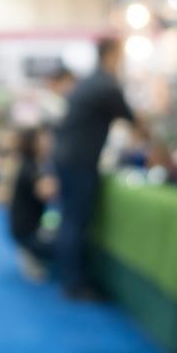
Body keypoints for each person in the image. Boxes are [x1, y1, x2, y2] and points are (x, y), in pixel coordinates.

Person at [53, 37, 143, 300]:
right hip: (80, 161)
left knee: (69, 219)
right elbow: (133, 121)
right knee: (75, 221)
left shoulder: (90, 82)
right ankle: (75, 283)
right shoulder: (106, 85)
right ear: (111, 55)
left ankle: (69, 276)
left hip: (68, 158)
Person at [8, 126, 58, 281]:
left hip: (28, 226)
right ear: (33, 143)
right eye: (44, 138)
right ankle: (29, 251)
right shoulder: (29, 167)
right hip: (27, 231)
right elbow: (47, 192)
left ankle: (31, 250)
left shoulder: (34, 163)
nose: (49, 142)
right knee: (67, 245)